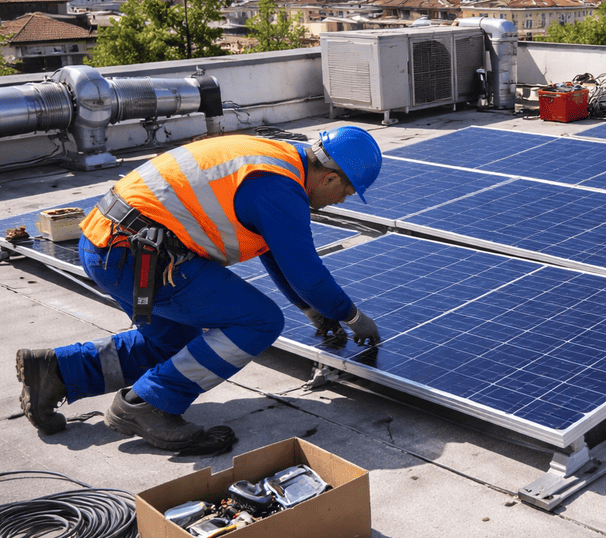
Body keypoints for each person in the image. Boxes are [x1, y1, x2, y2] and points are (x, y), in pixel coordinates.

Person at [16, 126, 384, 451]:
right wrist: (350, 315)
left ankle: (57, 371)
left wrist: (310, 309)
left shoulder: (275, 159)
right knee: (260, 321)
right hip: (137, 258)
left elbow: (274, 251)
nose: (341, 200)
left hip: (107, 244)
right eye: (348, 192)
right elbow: (308, 274)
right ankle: (149, 406)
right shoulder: (280, 189)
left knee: (173, 344)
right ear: (330, 178)